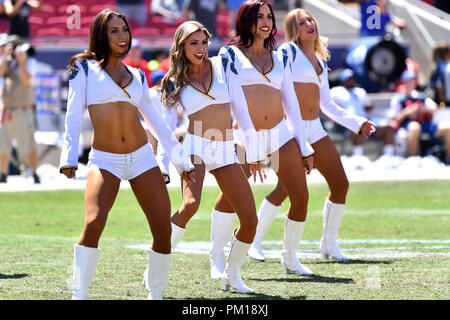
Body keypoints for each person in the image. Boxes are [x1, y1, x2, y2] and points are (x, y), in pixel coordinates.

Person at [59, 9, 195, 300]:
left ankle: (155, 294)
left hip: (142, 158)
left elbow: (156, 121)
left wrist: (180, 160)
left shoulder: (136, 75)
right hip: (104, 159)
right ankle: (79, 295)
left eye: (125, 30)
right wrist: (69, 158)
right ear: (101, 35)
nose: (123, 36)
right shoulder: (82, 69)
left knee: (161, 228)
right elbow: (72, 116)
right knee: (94, 222)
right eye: (114, 31)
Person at [143, 20, 265, 294]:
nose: (200, 48)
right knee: (190, 205)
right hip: (195, 146)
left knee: (250, 219)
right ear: (181, 46)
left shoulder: (223, 66)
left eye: (203, 42)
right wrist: (163, 165)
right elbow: (166, 129)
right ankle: (154, 268)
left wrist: (254, 151)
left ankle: (232, 276)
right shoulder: (173, 80)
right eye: (193, 43)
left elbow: (241, 109)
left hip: (224, 147)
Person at [247, 8, 377, 263]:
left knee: (340, 184)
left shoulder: (319, 56)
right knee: (285, 189)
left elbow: (326, 104)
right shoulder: (287, 52)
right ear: (293, 28)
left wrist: (357, 123)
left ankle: (329, 245)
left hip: (315, 128)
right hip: (290, 129)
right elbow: (273, 86)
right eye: (301, 21)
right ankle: (254, 242)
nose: (308, 23)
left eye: (310, 19)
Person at [209, 0, 315, 278]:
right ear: (246, 21)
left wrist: (304, 146)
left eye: (269, 16)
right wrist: (253, 147)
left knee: (301, 196)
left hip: (279, 134)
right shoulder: (229, 54)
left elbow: (291, 103)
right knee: (231, 198)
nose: (266, 22)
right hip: (244, 135)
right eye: (259, 17)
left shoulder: (280, 57)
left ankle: (290, 258)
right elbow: (233, 102)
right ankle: (217, 255)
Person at [0, 37, 40, 184]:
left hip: (23, 109)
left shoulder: (29, 62)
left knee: (28, 144)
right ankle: (3, 173)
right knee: (3, 144)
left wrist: (21, 62)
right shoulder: (6, 62)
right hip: (7, 109)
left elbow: (25, 81)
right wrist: (5, 56)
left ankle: (35, 172)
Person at [330, 68, 395, 158]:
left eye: (352, 79)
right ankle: (358, 157)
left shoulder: (360, 91)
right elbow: (329, 105)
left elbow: (368, 105)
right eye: (348, 79)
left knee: (388, 126)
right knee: (357, 125)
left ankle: (389, 156)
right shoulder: (336, 91)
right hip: (347, 121)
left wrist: (369, 105)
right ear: (343, 80)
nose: (351, 81)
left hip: (365, 118)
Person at [388, 70, 450, 164]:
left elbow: (435, 108)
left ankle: (448, 158)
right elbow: (395, 119)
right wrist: (408, 111)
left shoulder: (421, 97)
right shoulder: (399, 98)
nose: (411, 83)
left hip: (426, 124)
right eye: (409, 81)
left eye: (413, 80)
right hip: (408, 125)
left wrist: (424, 109)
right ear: (404, 82)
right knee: (415, 126)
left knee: (448, 127)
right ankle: (413, 159)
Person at [428, 42, 450, 108]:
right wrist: (442, 102)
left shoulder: (439, 64)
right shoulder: (441, 66)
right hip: (440, 100)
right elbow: (439, 85)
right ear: (445, 54)